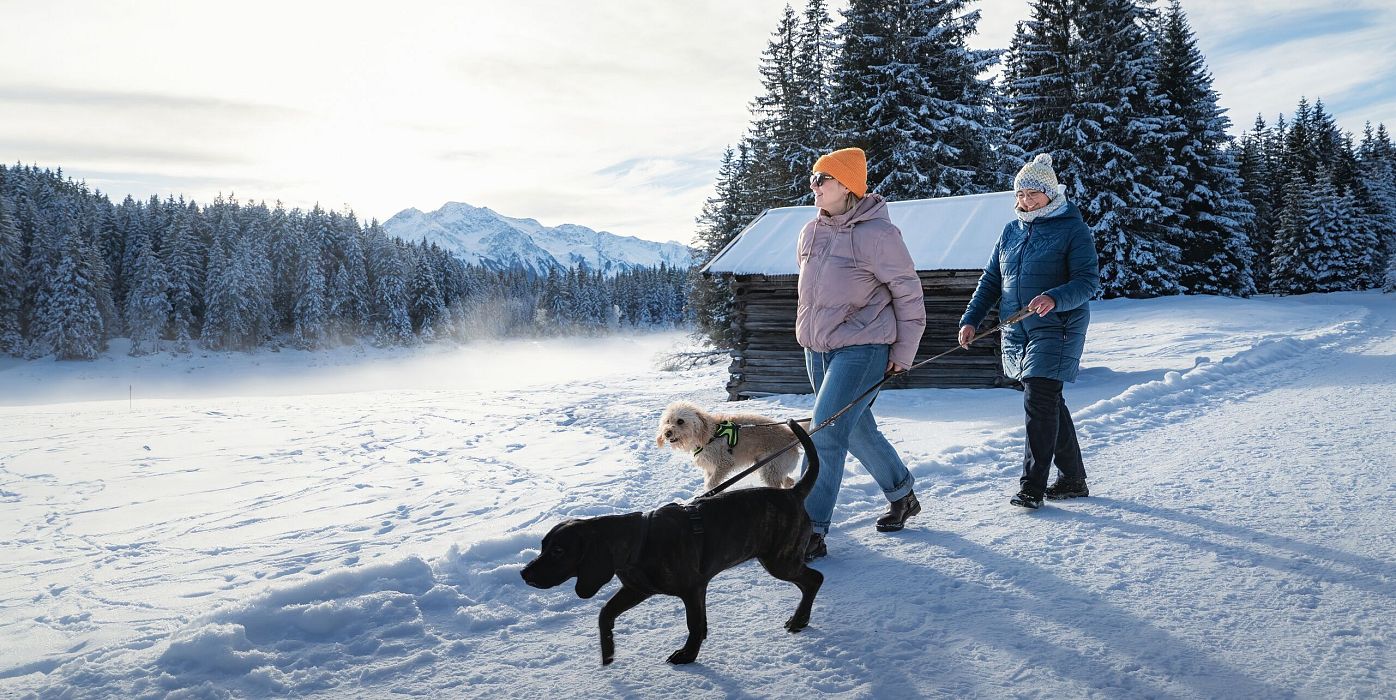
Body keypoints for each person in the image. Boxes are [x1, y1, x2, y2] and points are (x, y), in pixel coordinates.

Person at [796, 147, 926, 560]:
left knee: (824, 433)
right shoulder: (809, 231)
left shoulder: (879, 235)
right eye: (813, 178)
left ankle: (807, 531)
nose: (813, 185)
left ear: (847, 185)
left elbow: (908, 295)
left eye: (822, 178)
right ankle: (902, 493)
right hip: (818, 350)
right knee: (854, 429)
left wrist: (903, 352)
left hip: (864, 347)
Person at [958, 153, 1100, 509]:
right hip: (1019, 327)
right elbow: (991, 281)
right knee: (1048, 399)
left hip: (1059, 325)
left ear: (1051, 194)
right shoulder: (1010, 231)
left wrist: (1054, 297)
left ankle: (1032, 487)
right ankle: (1072, 478)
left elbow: (1087, 282)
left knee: (1038, 396)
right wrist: (971, 319)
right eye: (1020, 194)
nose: (1025, 201)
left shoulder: (1072, 229)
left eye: (1033, 193)